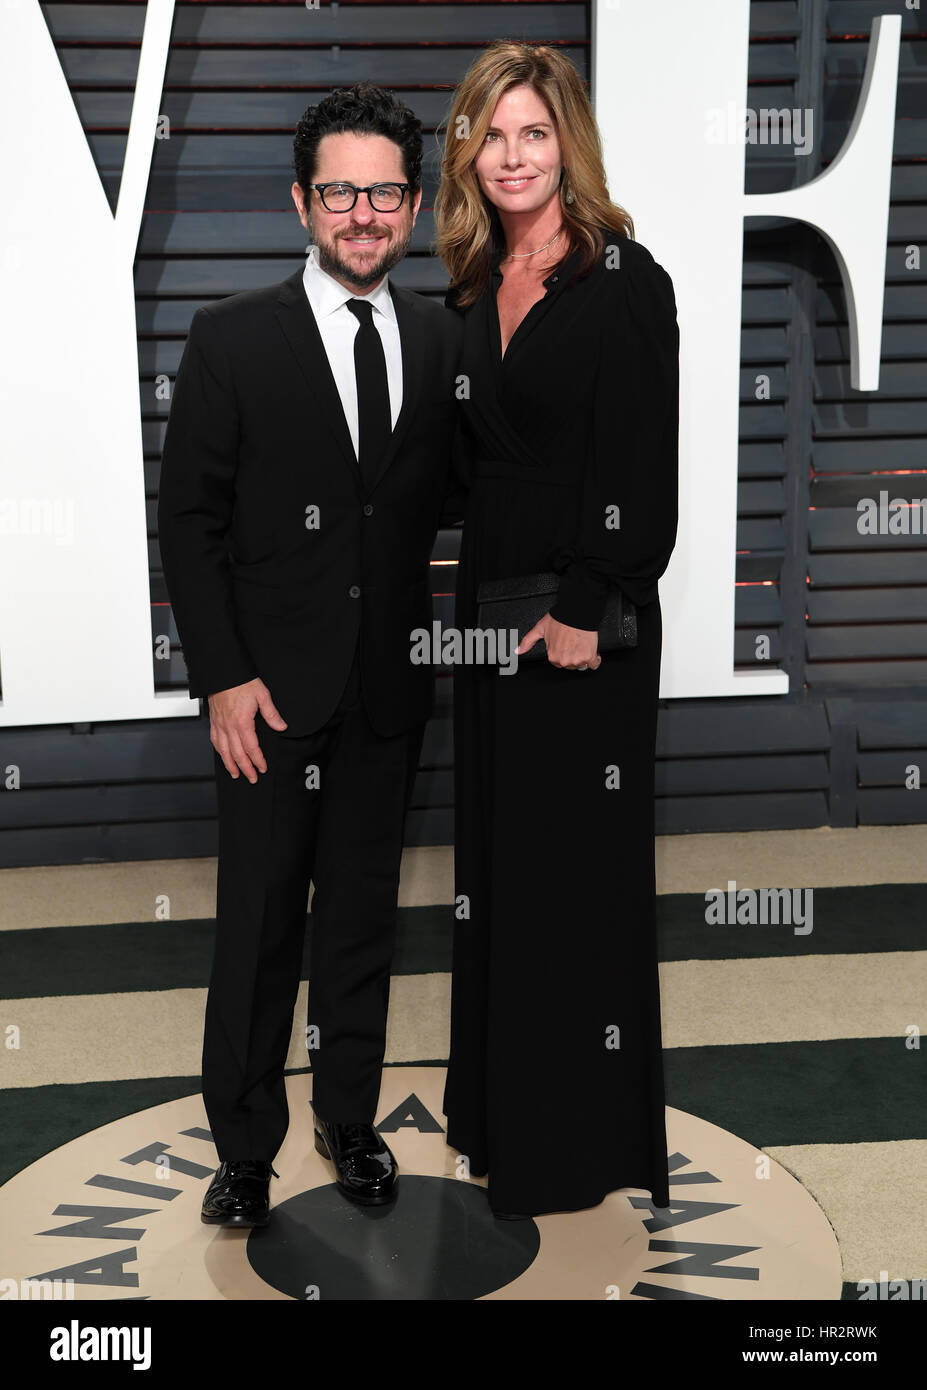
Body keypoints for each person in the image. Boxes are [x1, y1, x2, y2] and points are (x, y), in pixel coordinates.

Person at [157, 83, 463, 1226]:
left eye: (385, 192)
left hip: (387, 691)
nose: (364, 212)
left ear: (415, 203)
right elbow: (187, 520)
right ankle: (242, 1148)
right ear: (302, 202)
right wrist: (223, 676)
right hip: (268, 697)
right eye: (341, 190)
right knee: (259, 924)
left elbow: (455, 496)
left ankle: (349, 1122)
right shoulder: (230, 338)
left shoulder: (442, 338)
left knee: (361, 921)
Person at [434, 42, 679, 1217]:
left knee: (571, 886)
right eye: (494, 133)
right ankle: (501, 1126)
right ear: (469, 150)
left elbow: (643, 466)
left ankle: (574, 1149)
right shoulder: (476, 280)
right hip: (488, 618)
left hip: (584, 626)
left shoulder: (623, 277)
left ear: (566, 142)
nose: (513, 154)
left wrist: (587, 603)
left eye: (534, 132)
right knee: (498, 872)